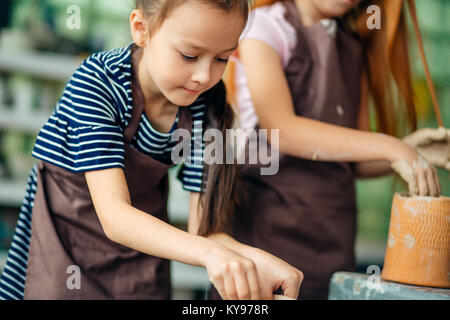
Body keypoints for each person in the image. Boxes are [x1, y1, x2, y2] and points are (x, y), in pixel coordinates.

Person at [0, 0, 303, 300]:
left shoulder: (208, 106)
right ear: (141, 29)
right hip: (60, 249)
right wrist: (212, 255)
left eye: (222, 59)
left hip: (139, 260)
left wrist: (253, 261)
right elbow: (115, 217)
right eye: (189, 55)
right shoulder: (97, 84)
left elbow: (205, 232)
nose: (204, 76)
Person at [202, 0, 448, 300]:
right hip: (266, 242)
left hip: (332, 249)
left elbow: (353, 159)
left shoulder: (353, 46)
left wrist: (410, 151)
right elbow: (282, 130)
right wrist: (390, 146)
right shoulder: (264, 27)